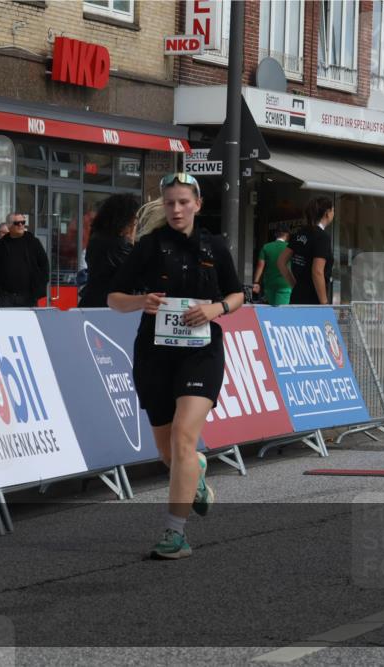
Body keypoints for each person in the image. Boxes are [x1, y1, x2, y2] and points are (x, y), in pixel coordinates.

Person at [108, 173, 244, 560]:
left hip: (201, 353)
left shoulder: (214, 246)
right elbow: (114, 297)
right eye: (170, 203)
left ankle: (174, 534)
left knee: (185, 437)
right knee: (169, 452)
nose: (176, 209)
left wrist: (214, 309)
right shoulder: (149, 246)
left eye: (184, 202)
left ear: (197, 204)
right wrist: (141, 302)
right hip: (153, 354)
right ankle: (195, 474)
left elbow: (238, 294)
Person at [78, 193, 139, 308]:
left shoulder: (97, 238)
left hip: (91, 303)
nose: (134, 225)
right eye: (134, 221)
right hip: (111, 308)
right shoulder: (119, 245)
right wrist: (131, 242)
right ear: (125, 220)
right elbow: (136, 275)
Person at [277, 197, 334, 305]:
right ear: (327, 213)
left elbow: (281, 262)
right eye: (333, 210)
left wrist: (295, 285)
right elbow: (317, 271)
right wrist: (324, 303)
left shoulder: (300, 233)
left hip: (297, 296)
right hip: (313, 301)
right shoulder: (322, 237)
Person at [0, 212, 49, 307]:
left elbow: (44, 265)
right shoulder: (1, 244)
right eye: (17, 223)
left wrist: (39, 288)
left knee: (27, 322)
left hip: (29, 296)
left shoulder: (33, 242)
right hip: (6, 296)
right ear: (9, 226)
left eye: (23, 222)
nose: (21, 225)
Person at [252, 226, 292, 305]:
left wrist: (256, 282)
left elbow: (260, 266)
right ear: (287, 235)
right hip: (284, 284)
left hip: (269, 284)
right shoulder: (290, 247)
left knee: (272, 310)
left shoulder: (266, 247)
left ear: (275, 234)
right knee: (281, 313)